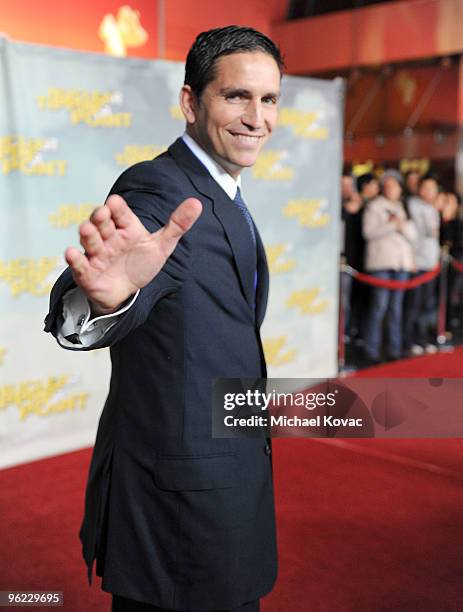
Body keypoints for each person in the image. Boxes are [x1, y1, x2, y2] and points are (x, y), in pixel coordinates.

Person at [44, 25, 284, 612]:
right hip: (179, 507)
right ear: (190, 102)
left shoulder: (221, 189)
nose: (257, 117)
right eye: (236, 97)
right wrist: (104, 298)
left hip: (219, 479)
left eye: (269, 99)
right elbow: (100, 291)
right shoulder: (158, 188)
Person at [362, 171, 417, 364]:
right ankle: (371, 350)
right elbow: (368, 232)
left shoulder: (402, 207)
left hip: (401, 264)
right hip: (382, 264)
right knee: (379, 308)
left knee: (396, 309)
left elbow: (412, 234)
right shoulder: (374, 207)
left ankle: (394, 349)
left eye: (394, 186)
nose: (391, 189)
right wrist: (392, 226)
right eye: (387, 186)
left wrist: (400, 225)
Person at [403, 176, 441, 355]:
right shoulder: (412, 205)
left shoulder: (433, 208)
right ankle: (410, 340)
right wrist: (412, 260)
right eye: (426, 188)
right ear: (419, 189)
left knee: (427, 304)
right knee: (414, 305)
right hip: (417, 263)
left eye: (433, 188)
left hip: (431, 263)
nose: (430, 192)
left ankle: (423, 338)